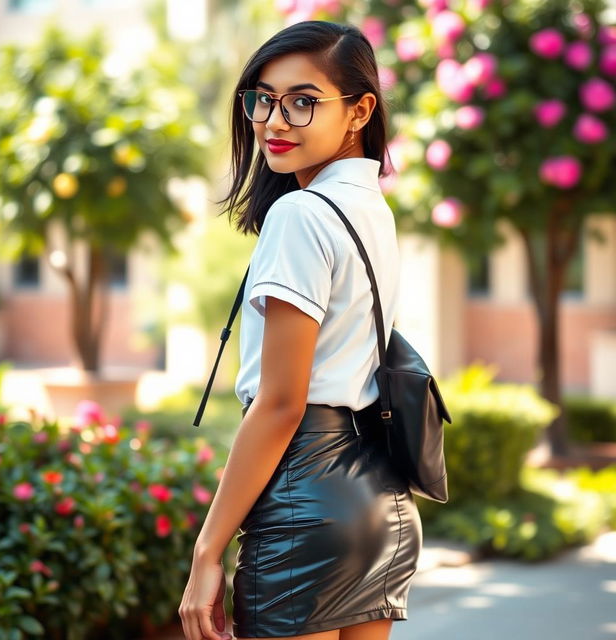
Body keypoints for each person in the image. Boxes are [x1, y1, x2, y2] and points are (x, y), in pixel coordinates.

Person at [178, 20, 423, 640]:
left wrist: (207, 551)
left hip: (305, 498)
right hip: (382, 502)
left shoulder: (299, 214)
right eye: (263, 99)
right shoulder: (373, 209)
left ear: (360, 111)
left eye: (303, 102)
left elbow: (282, 403)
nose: (274, 120)